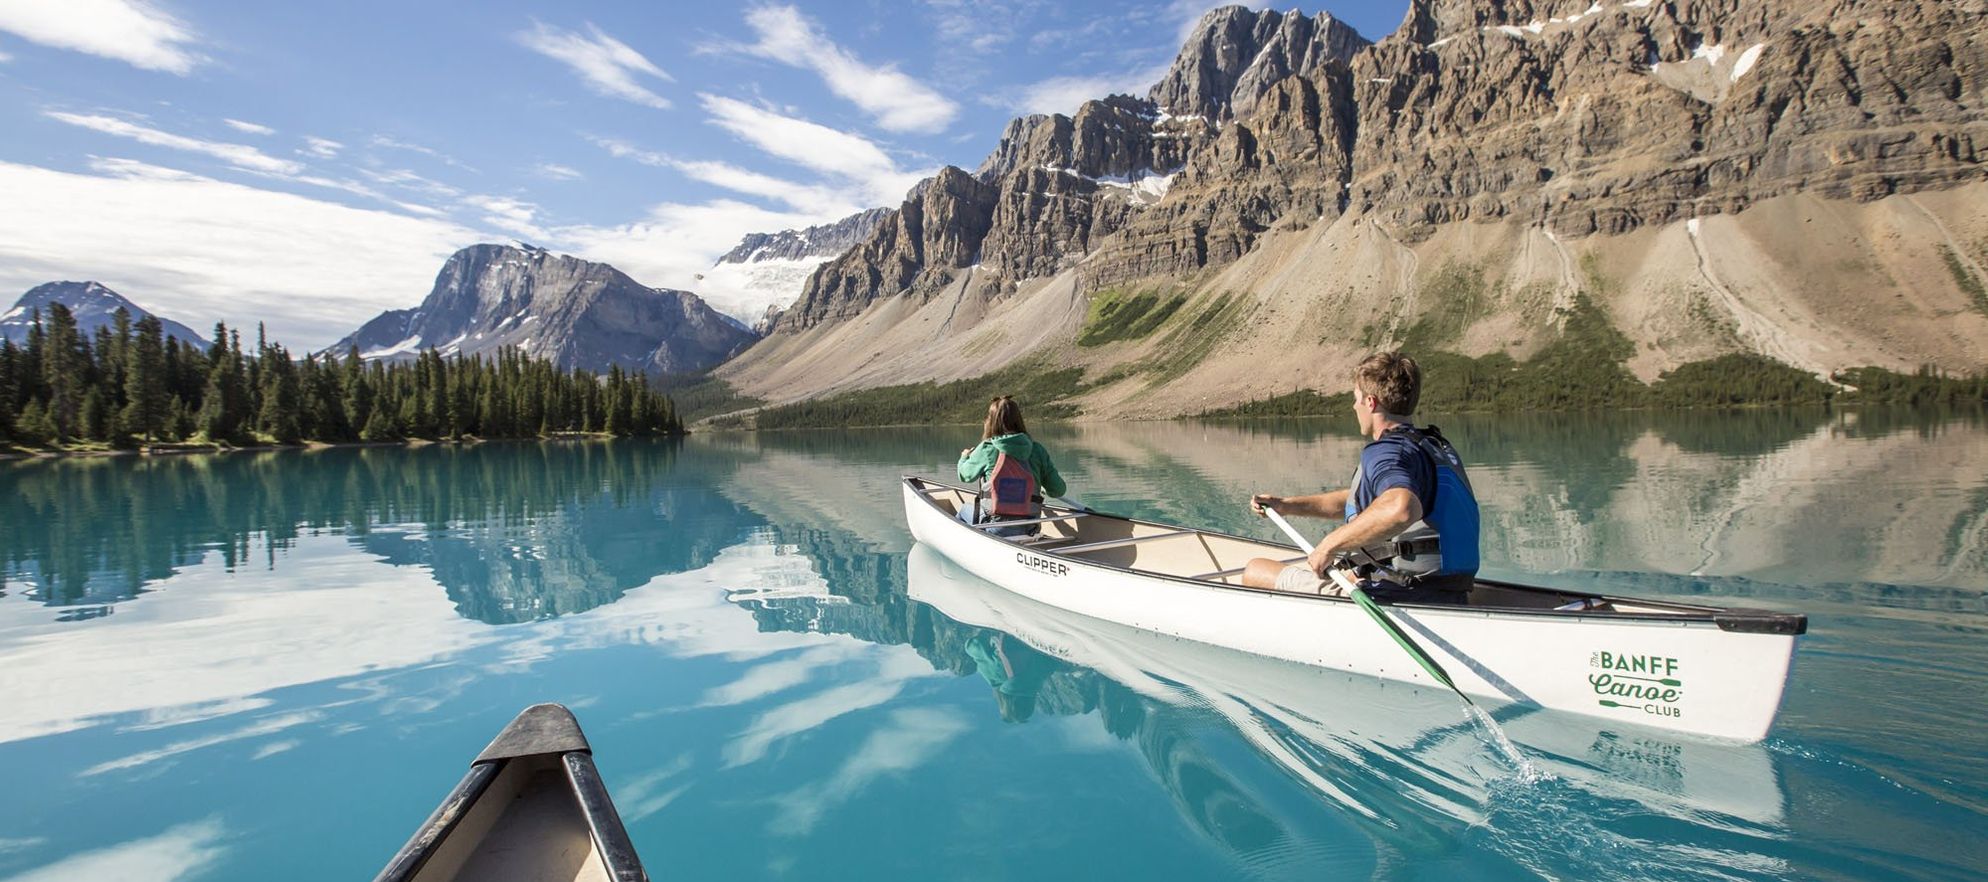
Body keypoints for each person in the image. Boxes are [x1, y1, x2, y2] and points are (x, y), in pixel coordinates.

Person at [1240, 351, 1481, 604]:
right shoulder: (1428, 447)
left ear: (1370, 402)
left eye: (1356, 398)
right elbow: (1366, 503)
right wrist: (1286, 505)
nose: (1354, 406)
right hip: (1448, 592)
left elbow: (1400, 508)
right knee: (1348, 572)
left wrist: (1329, 545)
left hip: (1397, 594)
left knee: (1256, 570)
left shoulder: (1387, 452)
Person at [957, 396, 1067, 537]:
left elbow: (964, 476)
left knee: (963, 509)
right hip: (1030, 527)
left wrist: (964, 457)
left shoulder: (987, 448)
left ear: (991, 421)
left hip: (995, 527)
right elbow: (1058, 490)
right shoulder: (1037, 450)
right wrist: (1040, 485)